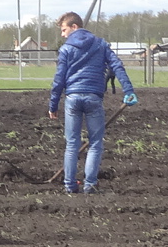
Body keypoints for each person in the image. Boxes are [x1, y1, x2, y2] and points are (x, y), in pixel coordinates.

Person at [47, 12, 137, 194]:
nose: (63, 35)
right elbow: (117, 66)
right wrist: (128, 90)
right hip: (93, 98)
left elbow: (59, 80)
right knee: (95, 143)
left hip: (72, 98)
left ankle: (70, 185)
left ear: (74, 27)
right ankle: (90, 184)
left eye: (64, 30)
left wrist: (53, 105)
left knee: (72, 144)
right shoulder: (101, 44)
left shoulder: (66, 49)